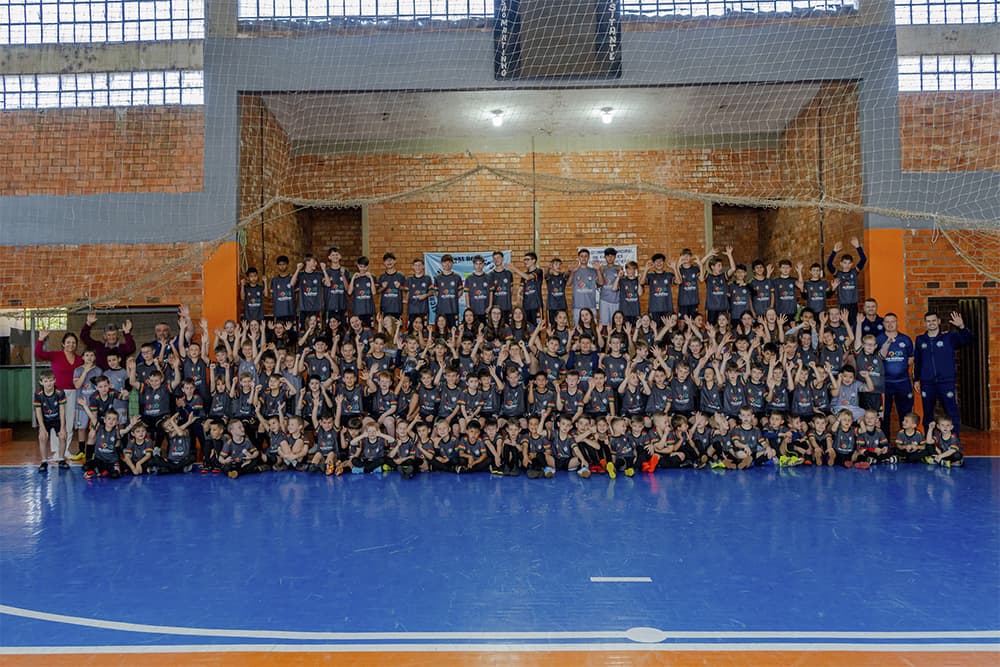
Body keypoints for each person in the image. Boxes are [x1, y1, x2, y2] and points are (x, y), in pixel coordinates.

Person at [914, 311, 973, 434]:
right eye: (928, 321)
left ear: (939, 321)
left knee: (952, 411)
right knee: (928, 413)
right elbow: (918, 361)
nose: (931, 323)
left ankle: (954, 441)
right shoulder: (920, 340)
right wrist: (916, 379)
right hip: (927, 383)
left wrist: (962, 326)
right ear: (925, 323)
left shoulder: (949, 337)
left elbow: (968, 339)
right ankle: (929, 441)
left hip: (946, 382)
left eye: (934, 320)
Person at [34, 330, 84, 462]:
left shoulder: (79, 359)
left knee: (69, 421)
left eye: (73, 342)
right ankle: (56, 451)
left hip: (73, 392)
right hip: (56, 393)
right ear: (63, 344)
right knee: (55, 421)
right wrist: (41, 339)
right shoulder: (56, 355)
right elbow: (38, 354)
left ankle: (65, 450)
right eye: (68, 342)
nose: (71, 344)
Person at [878, 313, 915, 434]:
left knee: (905, 415)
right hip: (884, 384)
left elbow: (910, 359)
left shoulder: (905, 339)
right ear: (883, 324)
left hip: (903, 383)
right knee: (884, 415)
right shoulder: (878, 339)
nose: (890, 324)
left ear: (897, 322)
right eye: (887, 322)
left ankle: (905, 442)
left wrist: (899, 369)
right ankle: (886, 444)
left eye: (892, 321)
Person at [827, 237, 866, 328]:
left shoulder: (854, 272)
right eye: (845, 263)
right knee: (844, 325)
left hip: (853, 304)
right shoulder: (838, 274)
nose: (847, 265)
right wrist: (834, 251)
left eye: (849, 263)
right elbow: (829, 264)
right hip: (843, 304)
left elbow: (863, 259)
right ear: (841, 263)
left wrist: (857, 247)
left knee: (854, 325)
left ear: (852, 264)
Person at [33, 370, 68, 473]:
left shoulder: (60, 392)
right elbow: (38, 412)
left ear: (54, 381)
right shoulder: (38, 394)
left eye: (51, 380)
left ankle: (61, 459)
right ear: (41, 382)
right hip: (45, 419)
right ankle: (44, 461)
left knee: (62, 436)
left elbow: (62, 411)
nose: (48, 383)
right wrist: (42, 429)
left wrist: (62, 428)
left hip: (57, 418)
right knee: (42, 437)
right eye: (46, 381)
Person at [569, 249, 600, 326]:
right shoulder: (575, 270)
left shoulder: (593, 270)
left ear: (588, 257)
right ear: (579, 257)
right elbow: (568, 284)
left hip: (591, 306)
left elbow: (601, 283)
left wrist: (599, 270)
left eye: (586, 256)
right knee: (578, 329)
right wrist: (572, 272)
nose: (584, 258)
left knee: (593, 329)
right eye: (582, 256)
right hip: (577, 306)